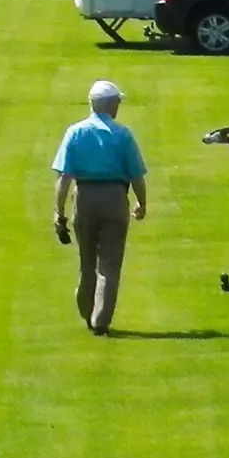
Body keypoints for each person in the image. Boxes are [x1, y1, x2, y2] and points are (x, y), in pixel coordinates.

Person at [50, 80, 148, 335]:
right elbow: (136, 174)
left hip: (84, 197)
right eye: (117, 102)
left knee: (87, 261)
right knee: (109, 264)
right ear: (109, 104)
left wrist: (58, 211)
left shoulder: (75, 132)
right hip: (114, 197)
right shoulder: (122, 134)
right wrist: (141, 202)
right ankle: (100, 320)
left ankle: (87, 311)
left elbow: (64, 178)